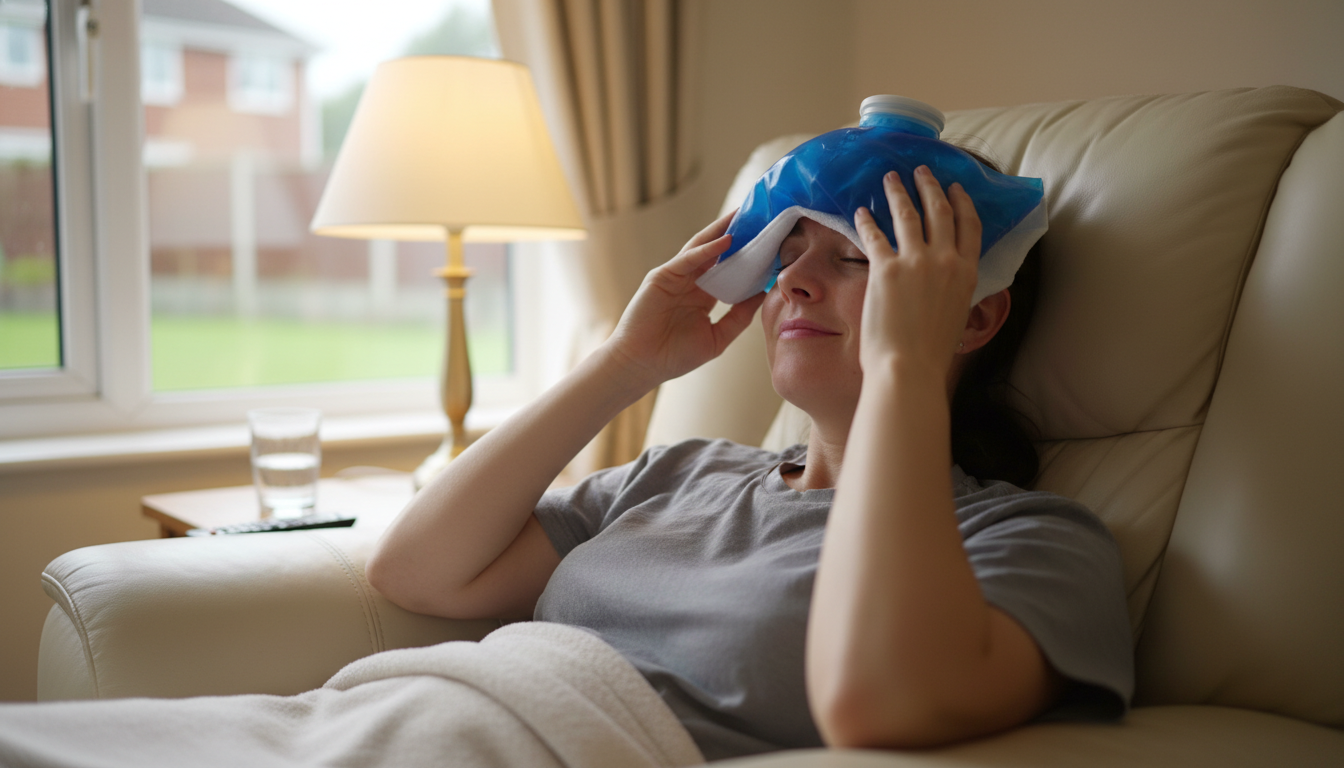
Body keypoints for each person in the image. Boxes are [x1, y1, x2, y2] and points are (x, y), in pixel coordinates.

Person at [366, 162, 1133, 761]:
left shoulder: (1036, 543)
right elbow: (416, 570)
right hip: (379, 727)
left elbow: (881, 704)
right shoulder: (679, 473)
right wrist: (624, 365)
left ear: (971, 316)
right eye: (787, 256)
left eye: (854, 257)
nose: (793, 282)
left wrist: (905, 366)